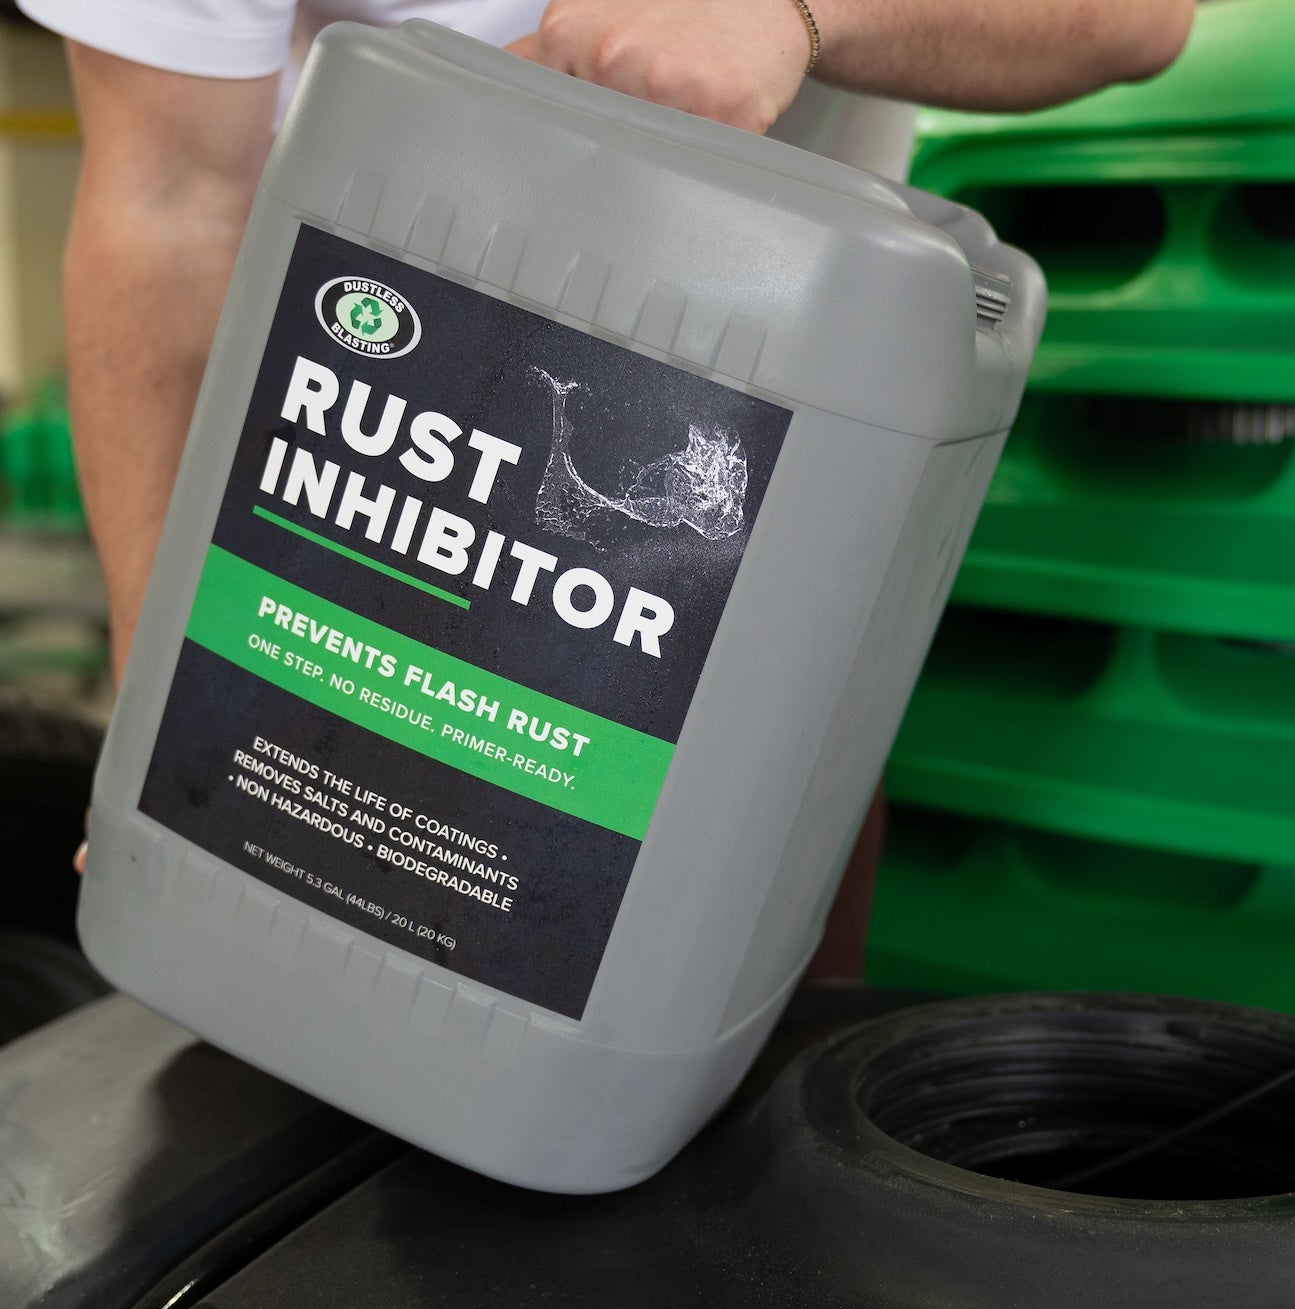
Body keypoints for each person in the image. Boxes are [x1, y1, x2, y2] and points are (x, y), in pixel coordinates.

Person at [22, 0, 1193, 974]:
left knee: (692, 1128)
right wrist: (160, 697)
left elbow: (1136, 19)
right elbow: (166, 197)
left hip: (744, 495)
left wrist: (795, 14)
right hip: (356, 460)